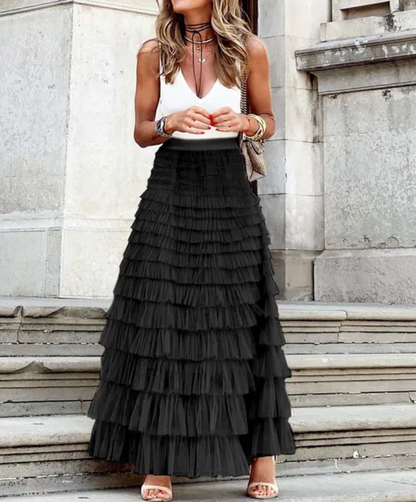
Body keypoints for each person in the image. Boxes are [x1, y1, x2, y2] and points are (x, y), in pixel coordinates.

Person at [86, 0, 296, 500]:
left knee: (239, 314)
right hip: (171, 184)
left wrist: (247, 125)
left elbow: (269, 119)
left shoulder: (249, 49)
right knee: (160, 313)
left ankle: (260, 456)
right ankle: (158, 460)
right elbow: (140, 131)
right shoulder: (154, 51)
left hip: (227, 186)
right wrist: (170, 122)